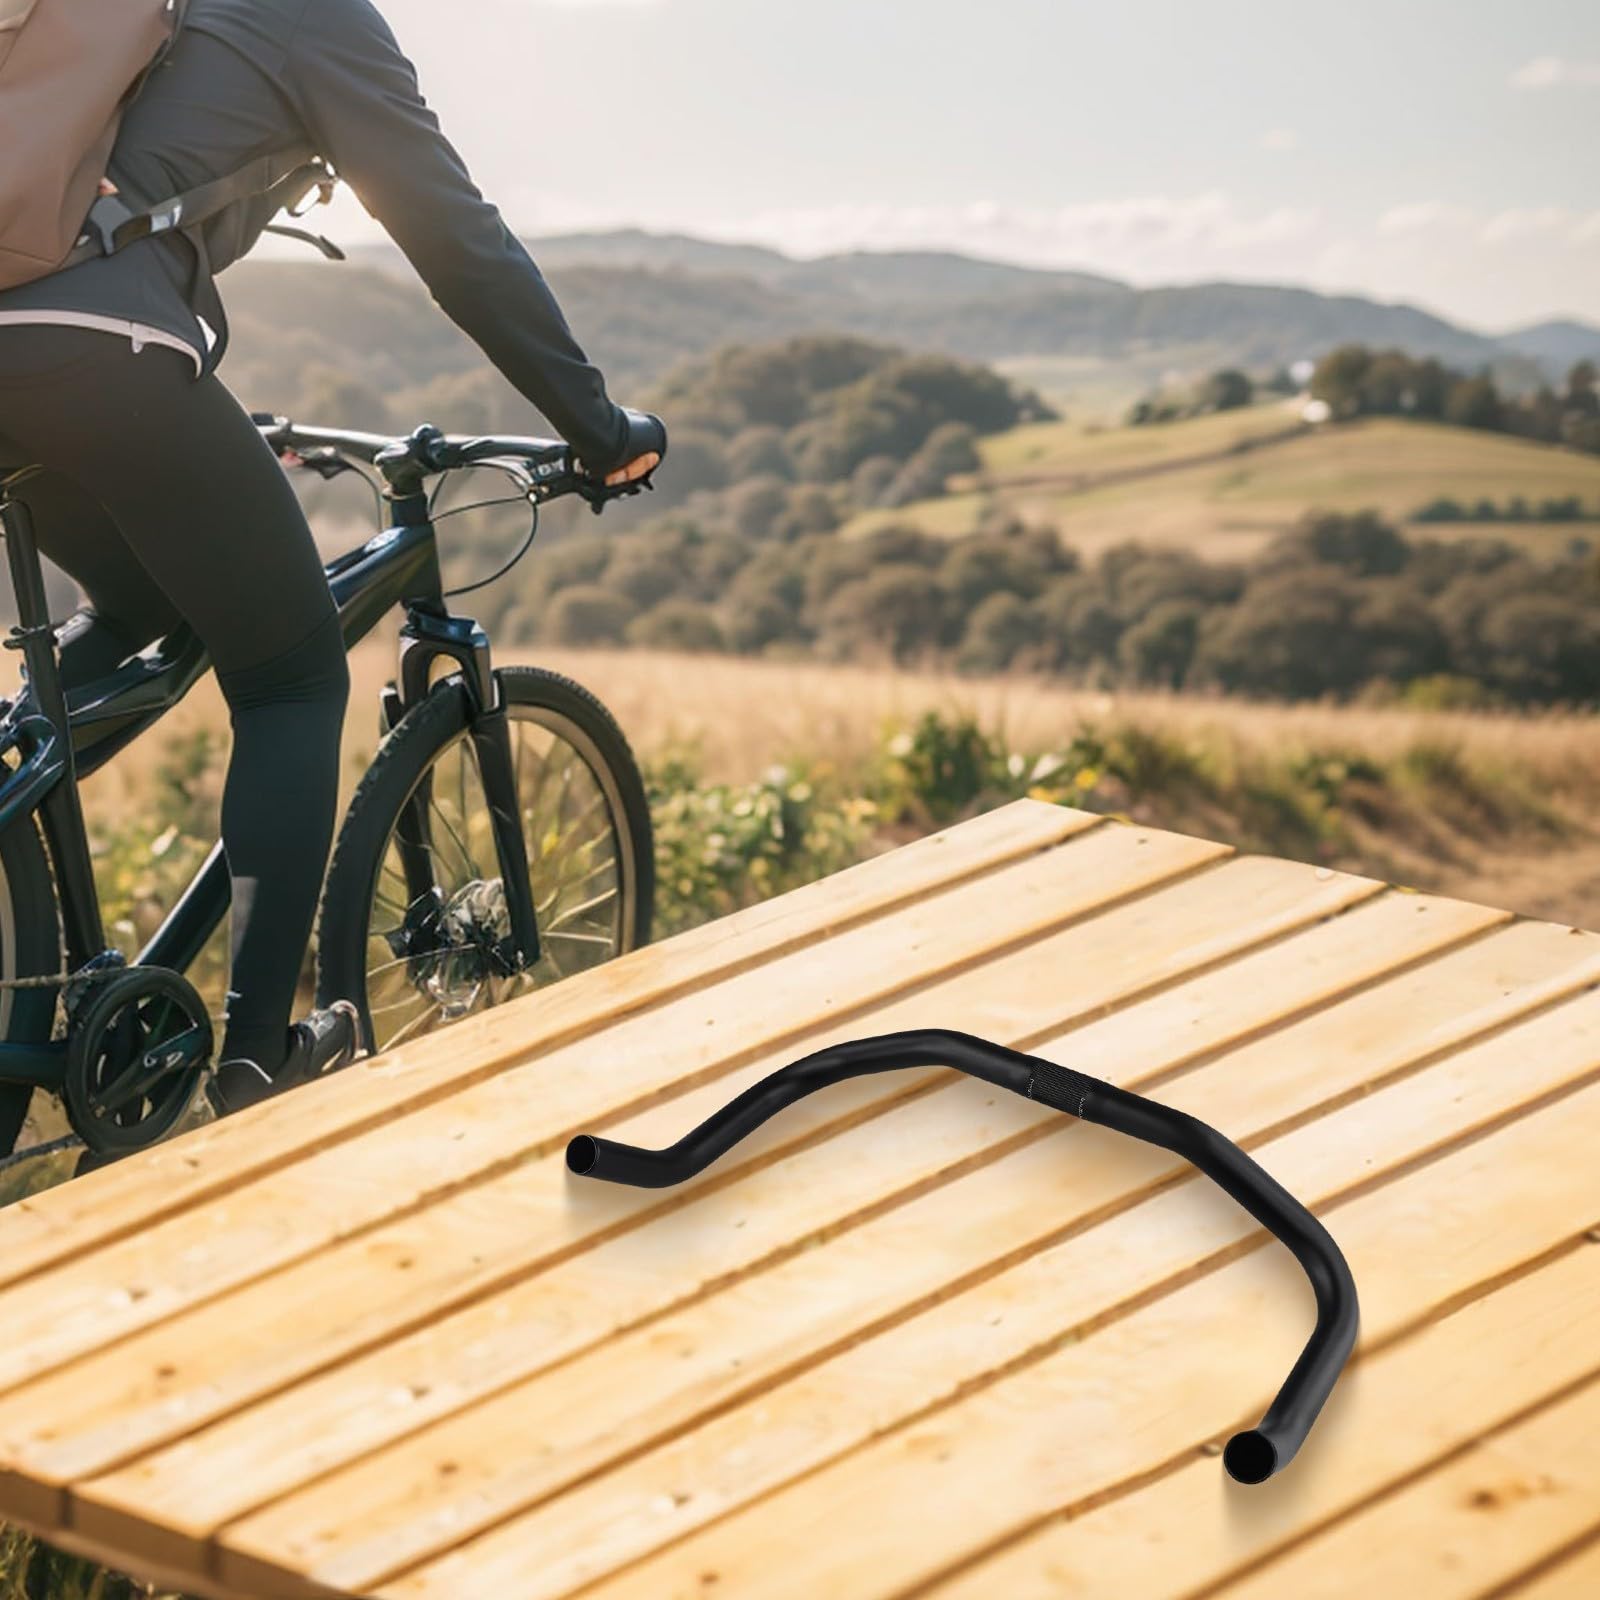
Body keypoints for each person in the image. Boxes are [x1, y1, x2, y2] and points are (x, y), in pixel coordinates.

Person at [0, 0, 664, 1130]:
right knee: (293, 675)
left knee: (152, 600)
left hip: (39, 352)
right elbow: (459, 240)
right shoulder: (311, 13)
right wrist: (600, 428)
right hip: (101, 352)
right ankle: (261, 1060)